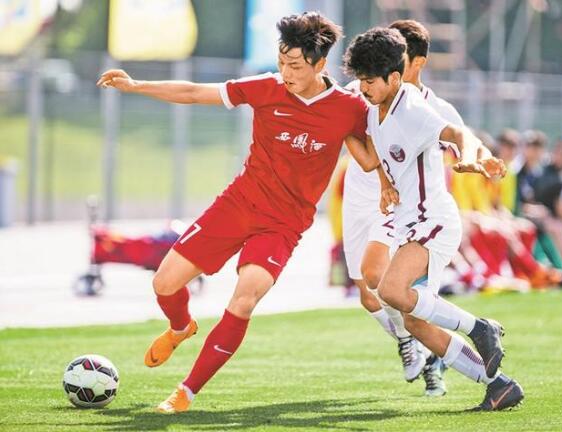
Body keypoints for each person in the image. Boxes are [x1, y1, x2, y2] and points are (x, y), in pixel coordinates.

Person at [97, 12, 390, 413]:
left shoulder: (349, 108)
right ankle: (181, 327)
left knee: (244, 300)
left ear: (320, 64)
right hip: (239, 204)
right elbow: (194, 93)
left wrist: (391, 182)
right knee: (164, 284)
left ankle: (185, 392)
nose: (286, 72)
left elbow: (376, 153)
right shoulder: (267, 88)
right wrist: (136, 85)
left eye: (296, 66)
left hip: (284, 224)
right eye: (282, 62)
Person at [343, 27, 524, 411]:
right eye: (360, 80)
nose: (363, 88)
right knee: (413, 320)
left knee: (391, 291)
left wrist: (473, 157)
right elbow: (375, 157)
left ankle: (481, 328)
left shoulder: (411, 106)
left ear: (395, 77)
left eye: (369, 81)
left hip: (432, 221)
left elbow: (457, 133)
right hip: (406, 221)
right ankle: (499, 386)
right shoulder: (375, 107)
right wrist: (384, 184)